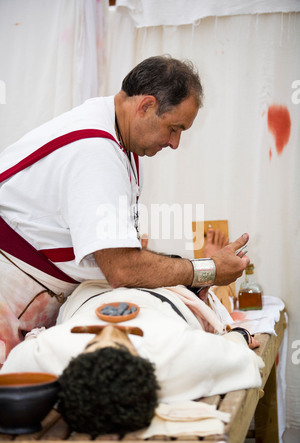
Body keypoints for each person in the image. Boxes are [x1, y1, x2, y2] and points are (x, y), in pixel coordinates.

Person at [0, 55, 249, 365]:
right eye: (174, 128)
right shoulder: (95, 148)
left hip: (36, 298)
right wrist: (207, 269)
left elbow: (114, 254)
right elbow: (122, 270)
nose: (175, 143)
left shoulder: (114, 135)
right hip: (9, 295)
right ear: (144, 106)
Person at [0, 280, 262, 437]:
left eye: (95, 341)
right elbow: (239, 353)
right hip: (165, 290)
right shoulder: (177, 352)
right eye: (120, 340)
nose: (111, 328)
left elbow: (16, 364)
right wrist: (239, 333)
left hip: (91, 287)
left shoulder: (49, 353)